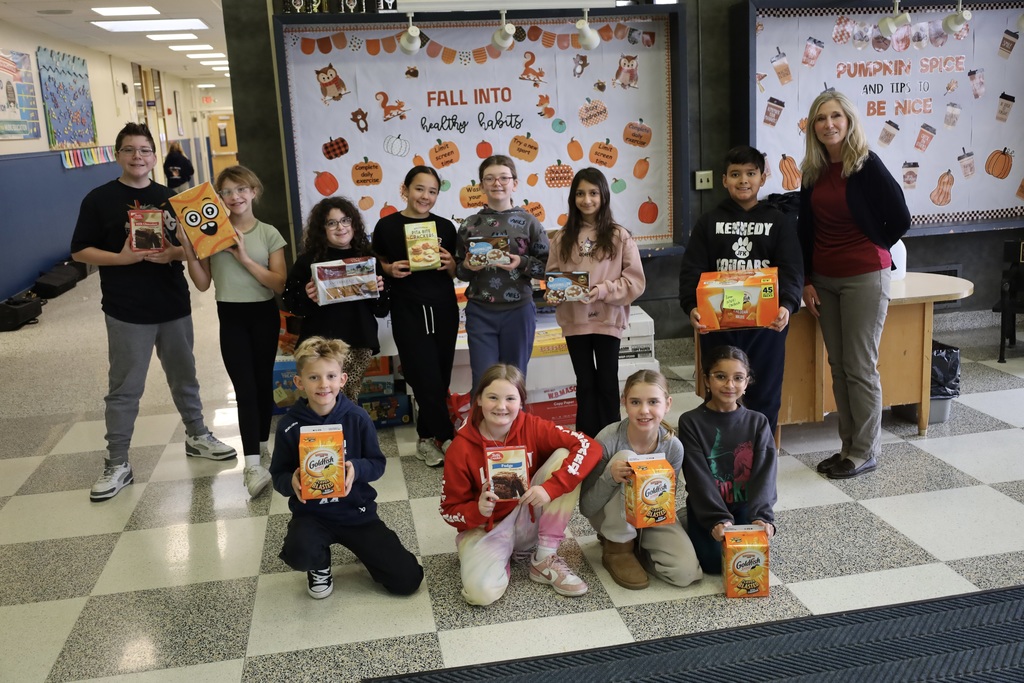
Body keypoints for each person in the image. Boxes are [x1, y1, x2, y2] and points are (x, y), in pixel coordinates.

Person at [70, 122, 236, 503]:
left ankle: (197, 436)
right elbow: (80, 251)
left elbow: (195, 245)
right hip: (126, 308)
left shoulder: (172, 198)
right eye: (129, 150)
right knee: (125, 389)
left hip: (172, 303)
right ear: (118, 155)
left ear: (154, 156)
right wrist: (121, 258)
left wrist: (173, 252)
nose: (138, 157)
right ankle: (117, 463)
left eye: (145, 150)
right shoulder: (98, 199)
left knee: (185, 377)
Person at [797, 90, 910, 479]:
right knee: (840, 366)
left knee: (860, 366)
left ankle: (865, 451)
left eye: (836, 117)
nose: (829, 124)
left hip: (864, 275)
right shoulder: (812, 170)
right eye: (821, 118)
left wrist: (873, 242)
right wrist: (808, 281)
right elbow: (806, 231)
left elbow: (900, 217)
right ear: (813, 126)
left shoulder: (866, 165)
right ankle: (848, 447)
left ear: (848, 121)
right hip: (824, 280)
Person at [269, 336, 423, 599]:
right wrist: (291, 482)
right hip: (311, 515)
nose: (323, 384)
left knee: (407, 581)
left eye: (330, 376)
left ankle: (371, 553)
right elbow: (278, 475)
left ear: (342, 379)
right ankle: (319, 564)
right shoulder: (289, 426)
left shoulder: (358, 418)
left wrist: (357, 469)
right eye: (314, 377)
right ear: (299, 382)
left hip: (357, 513)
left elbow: (378, 464)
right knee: (299, 552)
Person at [440, 363, 602, 605]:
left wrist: (550, 489)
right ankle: (496, 556)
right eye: (492, 397)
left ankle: (544, 558)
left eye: (510, 398)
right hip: (487, 527)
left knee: (562, 455)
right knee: (480, 595)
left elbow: (589, 446)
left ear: (521, 402)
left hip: (529, 514)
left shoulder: (532, 426)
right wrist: (477, 510)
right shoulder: (460, 448)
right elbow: (448, 510)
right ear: (479, 400)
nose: (501, 406)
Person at [679, 145, 803, 438]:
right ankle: (720, 449)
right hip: (720, 325)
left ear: (762, 178)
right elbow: (691, 271)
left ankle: (760, 454)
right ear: (724, 180)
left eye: (751, 173)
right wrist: (691, 307)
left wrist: (787, 305)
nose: (743, 180)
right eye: (735, 174)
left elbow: (793, 269)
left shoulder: (779, 222)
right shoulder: (708, 223)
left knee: (764, 393)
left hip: (766, 326)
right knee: (721, 391)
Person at [178, 165, 286, 498]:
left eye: (242, 189)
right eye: (227, 191)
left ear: (254, 191)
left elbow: (277, 283)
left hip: (264, 314)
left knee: (262, 383)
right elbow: (202, 283)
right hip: (231, 317)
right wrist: (187, 248)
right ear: (219, 197)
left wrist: (243, 257)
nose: (235, 196)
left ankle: (262, 445)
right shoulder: (210, 235)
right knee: (244, 388)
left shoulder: (268, 233)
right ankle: (252, 465)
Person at [579, 370, 702, 590]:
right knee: (627, 458)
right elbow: (587, 507)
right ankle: (618, 548)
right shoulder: (608, 439)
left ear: (668, 403)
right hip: (609, 516)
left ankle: (641, 552)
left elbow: (667, 503)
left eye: (653, 402)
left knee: (686, 574)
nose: (644, 410)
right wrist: (610, 477)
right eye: (635, 402)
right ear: (624, 402)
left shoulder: (673, 447)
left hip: (651, 517)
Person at [547, 168, 646, 438]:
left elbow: (635, 283)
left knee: (606, 382)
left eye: (593, 193)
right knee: (585, 384)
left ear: (603, 196)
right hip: (575, 321)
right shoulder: (562, 236)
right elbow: (553, 277)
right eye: (580, 193)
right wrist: (555, 289)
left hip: (607, 319)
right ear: (572, 197)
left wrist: (602, 290)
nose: (587, 200)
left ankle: (612, 439)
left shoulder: (619, 235)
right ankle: (586, 442)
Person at [372, 166, 458, 467]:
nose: (425, 196)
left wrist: (450, 264)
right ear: (405, 189)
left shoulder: (446, 227)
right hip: (407, 309)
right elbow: (375, 262)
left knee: (441, 375)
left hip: (444, 309)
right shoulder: (386, 226)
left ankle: (425, 439)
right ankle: (447, 436)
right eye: (420, 189)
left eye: (432, 191)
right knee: (424, 376)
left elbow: (456, 270)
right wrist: (388, 270)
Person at [678, 345, 777, 575]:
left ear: (747, 382)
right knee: (714, 565)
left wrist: (762, 517)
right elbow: (697, 476)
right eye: (720, 377)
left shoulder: (758, 422)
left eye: (738, 378)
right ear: (706, 379)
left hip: (744, 507)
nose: (729, 385)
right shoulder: (691, 421)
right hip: (708, 507)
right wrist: (716, 519)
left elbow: (766, 474)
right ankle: (687, 518)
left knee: (744, 561)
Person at [455, 155, 550, 393]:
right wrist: (468, 266)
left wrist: (521, 262)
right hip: (480, 311)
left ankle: (517, 429)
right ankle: (482, 430)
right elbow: (458, 270)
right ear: (481, 186)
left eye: (504, 178)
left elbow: (548, 268)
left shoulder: (529, 222)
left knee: (515, 379)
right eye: (490, 178)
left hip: (519, 311)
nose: (497, 183)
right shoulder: (469, 224)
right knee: (483, 380)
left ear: (514, 183)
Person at [282, 197, 382, 404]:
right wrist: (306, 295)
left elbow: (382, 309)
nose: (340, 227)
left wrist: (381, 289)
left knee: (348, 398)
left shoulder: (367, 258)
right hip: (320, 345)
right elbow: (290, 302)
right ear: (322, 228)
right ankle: (324, 435)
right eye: (332, 223)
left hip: (358, 341)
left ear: (354, 224)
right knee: (322, 399)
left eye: (345, 220)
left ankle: (348, 435)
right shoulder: (309, 261)